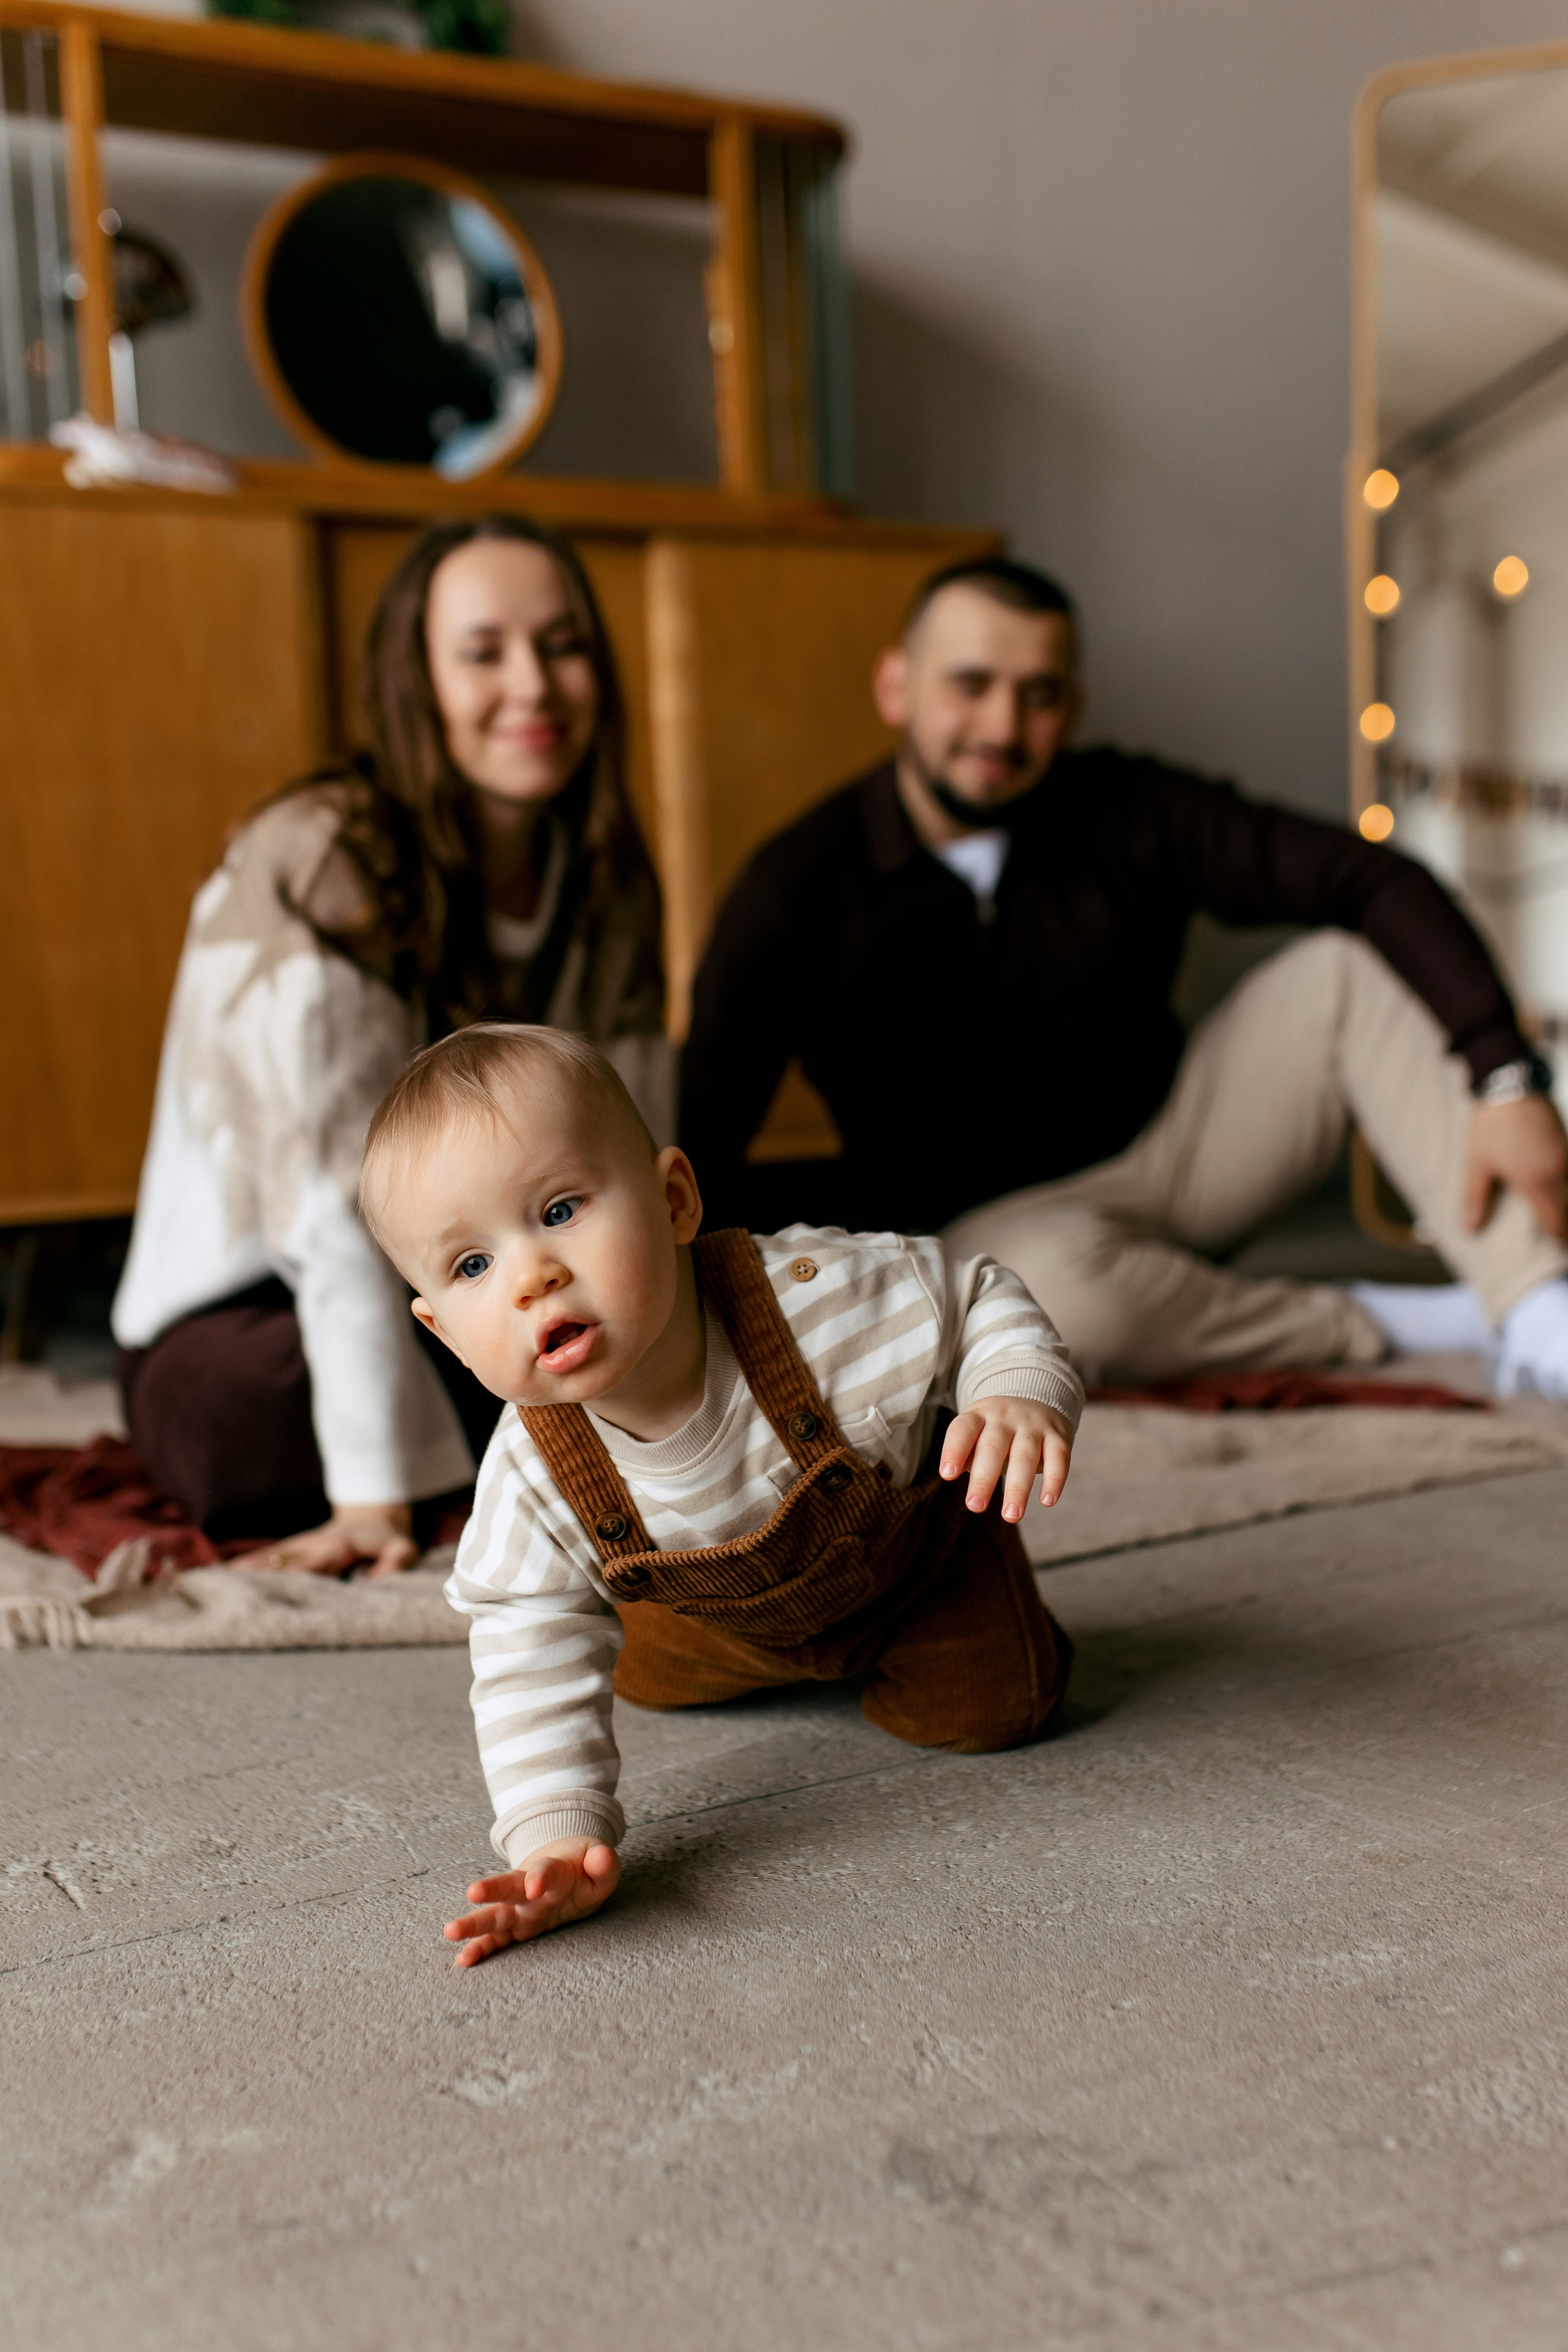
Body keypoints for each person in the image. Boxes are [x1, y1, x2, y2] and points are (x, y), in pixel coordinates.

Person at [680, 554, 1568, 1393]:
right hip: (997, 1226)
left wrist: (1507, 1077)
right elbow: (711, 1125)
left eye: (1038, 695)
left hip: (1176, 1153)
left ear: (1071, 708)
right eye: (971, 686)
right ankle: (1380, 1320)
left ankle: (1537, 1309)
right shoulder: (797, 884)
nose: (1002, 727)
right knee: (1052, 1304)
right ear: (896, 688)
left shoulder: (1126, 804)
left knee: (1346, 970)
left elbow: (1368, 876)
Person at [355, 1023, 1082, 1964]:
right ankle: (753, 1654)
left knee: (997, 1708)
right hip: (719, 1628)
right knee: (627, 1666)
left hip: (913, 1572)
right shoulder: (532, 1473)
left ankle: (950, 1600)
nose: (532, 1277)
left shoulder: (816, 1303)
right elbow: (525, 1647)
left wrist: (1012, 1390)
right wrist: (555, 1835)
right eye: (472, 1266)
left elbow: (971, 1294)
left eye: (561, 1209)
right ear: (446, 1335)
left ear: (674, 1201)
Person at [111, 514, 668, 1573]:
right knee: (253, 1419)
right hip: (253, 1307)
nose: (533, 686)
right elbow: (326, 1203)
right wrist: (371, 1500)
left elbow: (633, 1143)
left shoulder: (605, 871)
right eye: (483, 652)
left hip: (492, 1273)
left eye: (562, 646)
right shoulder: (322, 860)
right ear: (417, 680)